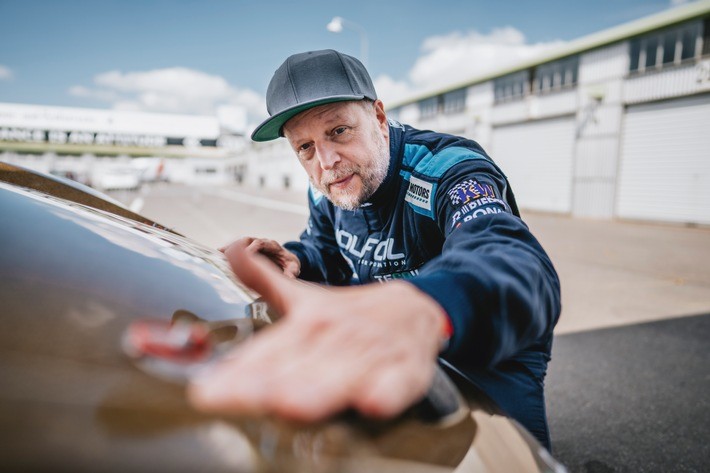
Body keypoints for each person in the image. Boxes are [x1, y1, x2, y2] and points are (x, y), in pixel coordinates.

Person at [188, 49, 561, 450]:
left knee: (511, 458)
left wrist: (425, 307)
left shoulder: (450, 167)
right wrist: (297, 258)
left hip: (488, 349)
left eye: (338, 131)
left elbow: (511, 258)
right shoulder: (329, 186)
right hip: (383, 334)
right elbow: (327, 247)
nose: (326, 161)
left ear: (379, 118)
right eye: (305, 148)